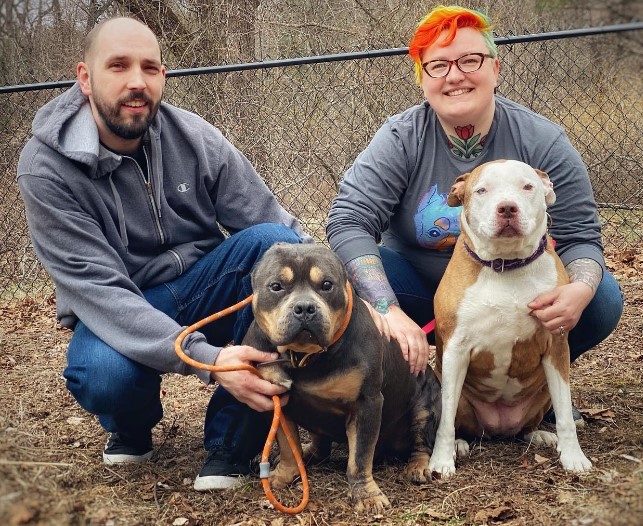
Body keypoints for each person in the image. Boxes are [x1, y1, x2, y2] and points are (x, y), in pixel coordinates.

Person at [17, 16, 312, 491]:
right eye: (118, 66)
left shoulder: (195, 136)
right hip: (120, 303)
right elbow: (102, 294)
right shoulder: (45, 169)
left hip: (203, 285)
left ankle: (232, 442)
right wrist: (208, 357)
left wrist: (354, 301)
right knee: (105, 374)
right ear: (85, 77)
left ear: (162, 77)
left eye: (149, 68)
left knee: (272, 245)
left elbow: (278, 227)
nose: (136, 82)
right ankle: (130, 427)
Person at [326, 5, 623, 421]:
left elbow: (580, 236)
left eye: (470, 60)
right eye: (438, 65)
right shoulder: (400, 138)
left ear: (495, 69)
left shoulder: (542, 140)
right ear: (424, 80)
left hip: (522, 289)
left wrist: (580, 290)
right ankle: (398, 397)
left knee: (603, 297)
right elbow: (348, 220)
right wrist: (387, 309)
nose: (455, 75)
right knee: (352, 284)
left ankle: (534, 390)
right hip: (422, 293)